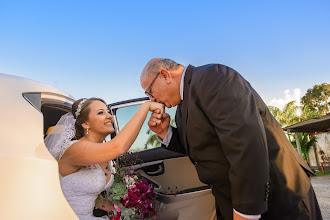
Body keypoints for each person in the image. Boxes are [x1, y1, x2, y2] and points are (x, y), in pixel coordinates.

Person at [140, 58, 323, 220]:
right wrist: (165, 132)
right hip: (229, 201)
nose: (151, 99)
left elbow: (245, 144)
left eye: (149, 92)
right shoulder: (180, 110)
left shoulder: (213, 77)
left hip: (276, 198)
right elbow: (199, 148)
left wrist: (246, 211)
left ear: (165, 75)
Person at [45, 98, 164, 220]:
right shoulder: (75, 149)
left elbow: (87, 193)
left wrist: (125, 210)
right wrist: (146, 107)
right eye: (101, 113)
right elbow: (119, 147)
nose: (109, 117)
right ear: (86, 124)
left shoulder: (102, 151)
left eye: (108, 112)